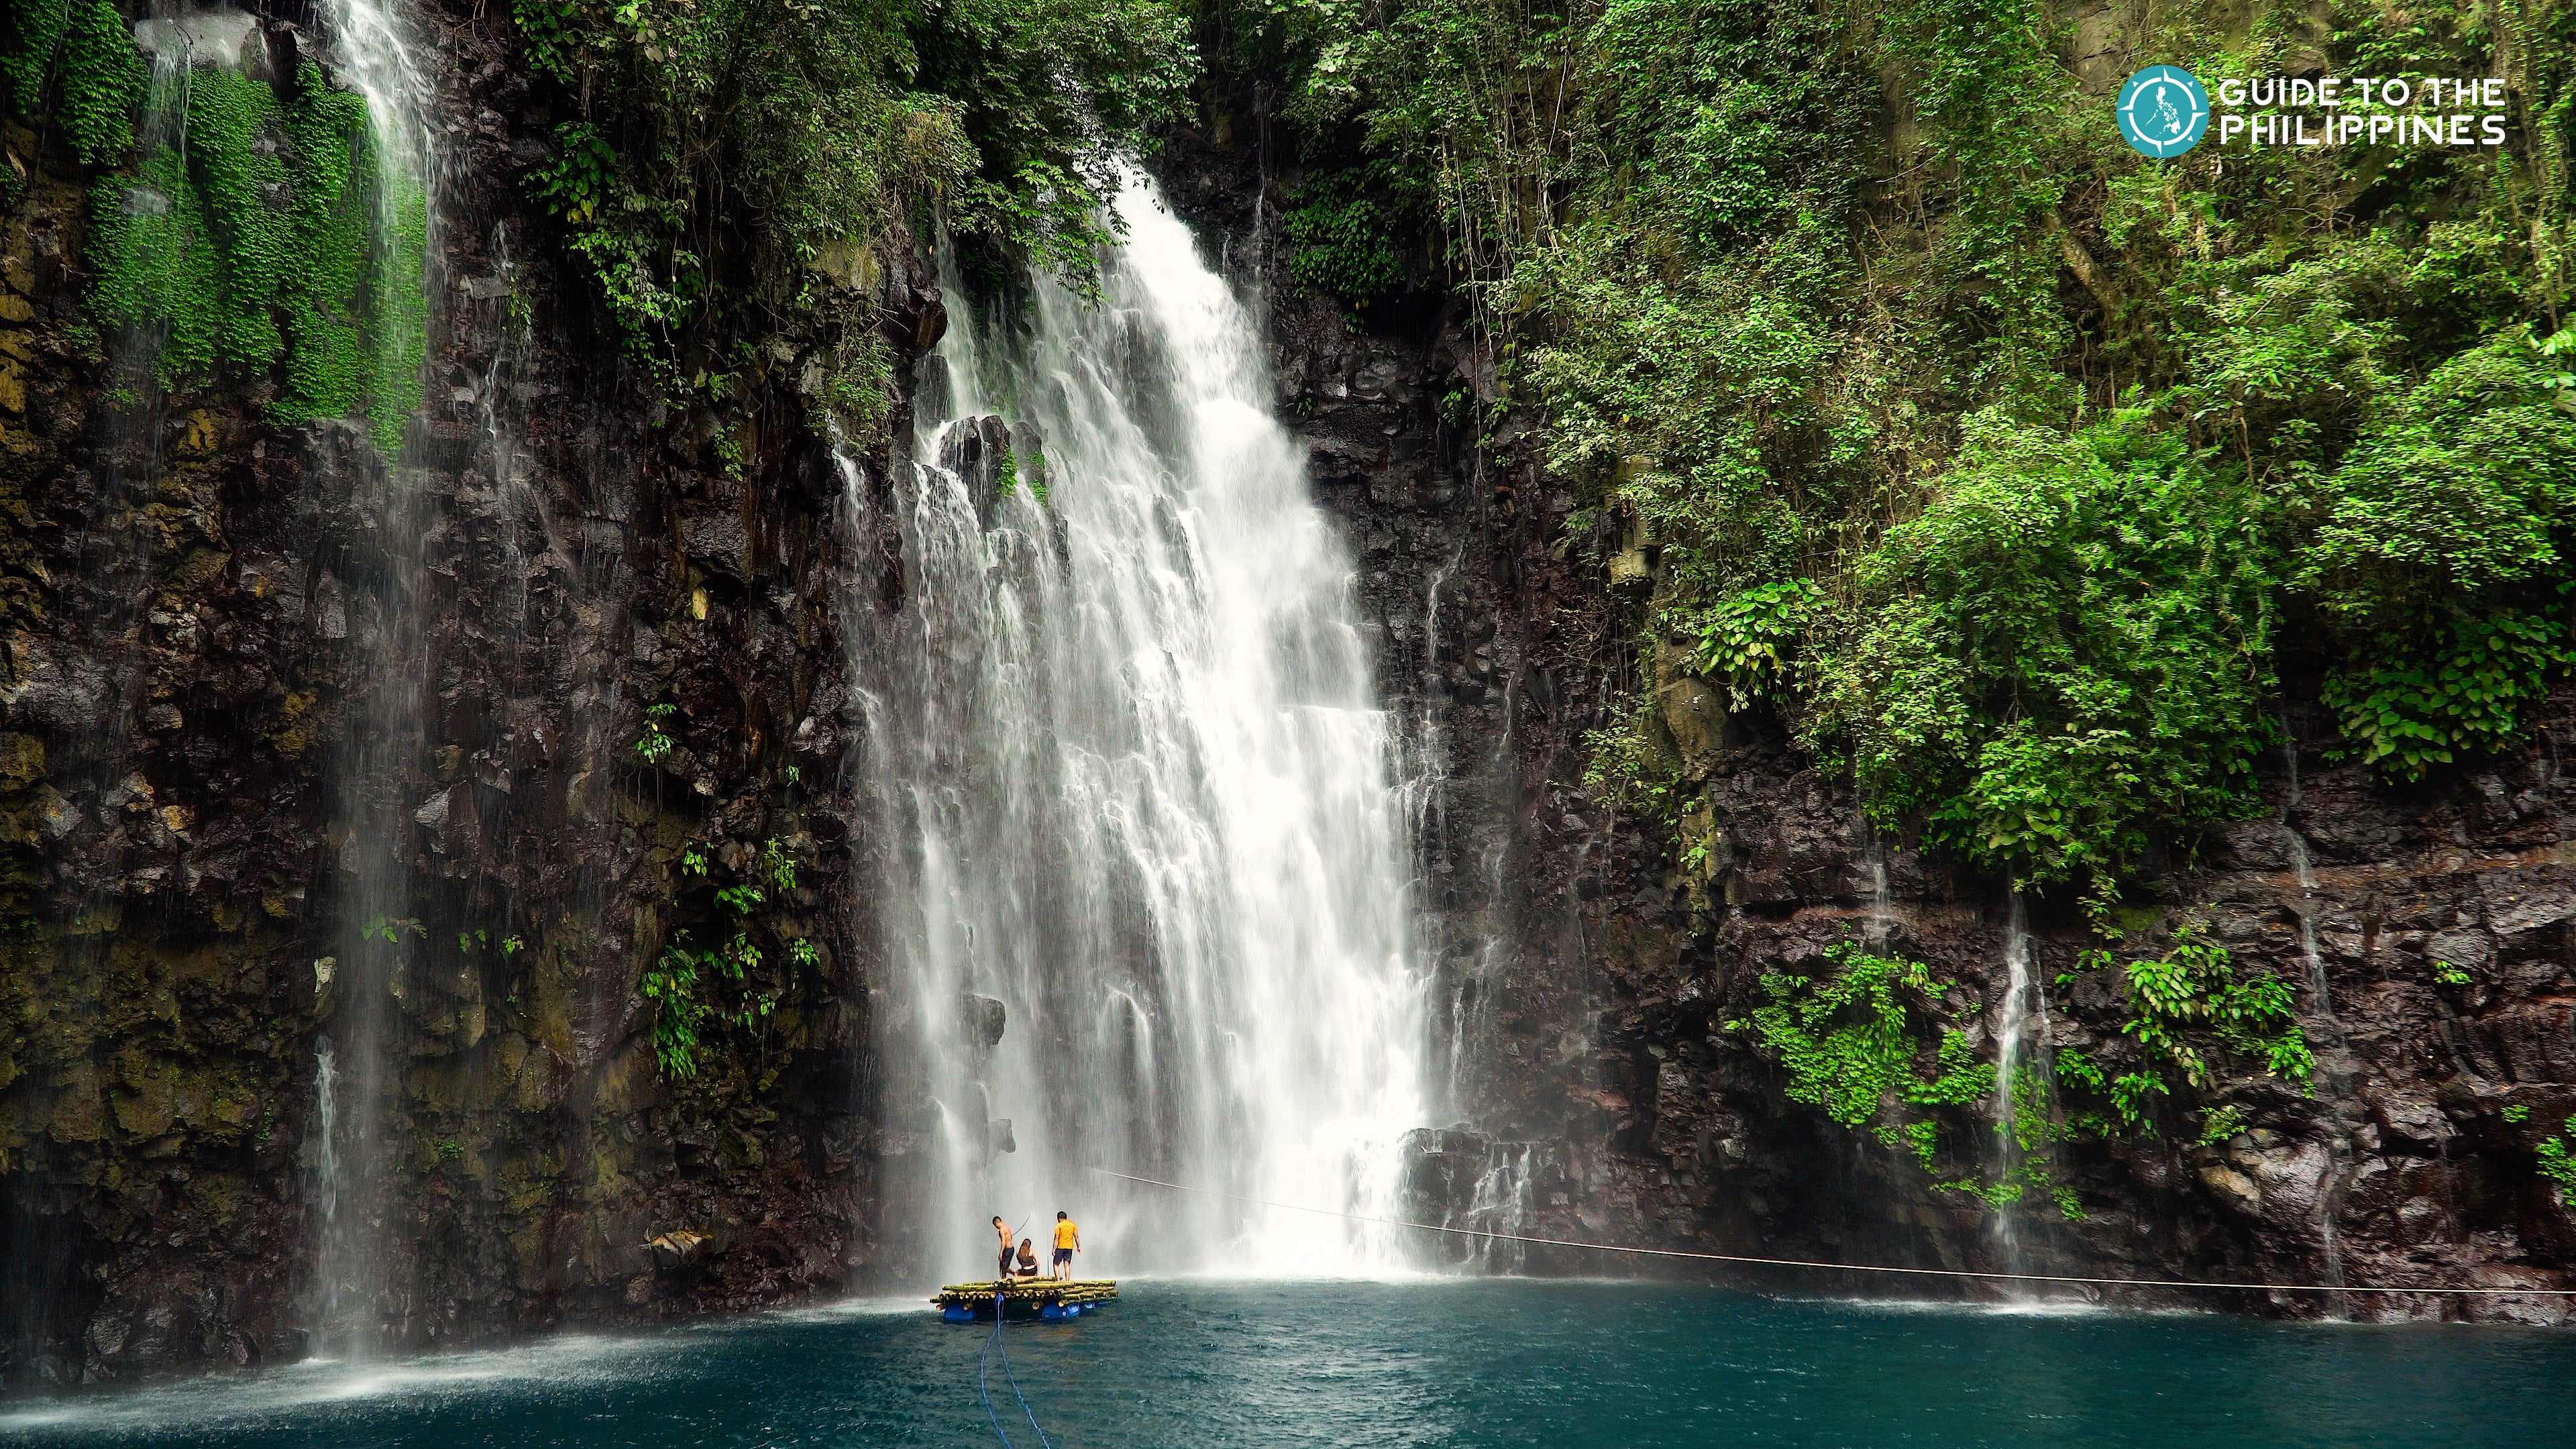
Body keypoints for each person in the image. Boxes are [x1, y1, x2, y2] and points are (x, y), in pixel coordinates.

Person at [1051, 1211, 1081, 1281]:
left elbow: (1056, 1238)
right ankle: (1067, 1280)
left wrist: (1054, 1249)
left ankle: (1058, 1280)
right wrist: (1078, 1246)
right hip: (1069, 1247)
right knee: (1067, 1264)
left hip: (1060, 1247)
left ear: (1059, 1218)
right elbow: (1076, 1237)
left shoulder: (1059, 1226)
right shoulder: (1073, 1225)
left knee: (1056, 1264)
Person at [993, 1215, 1012, 1282]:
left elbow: (1003, 1241)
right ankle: (1003, 1280)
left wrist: (1001, 1253)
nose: (996, 1227)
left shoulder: (1002, 1230)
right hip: (1011, 1249)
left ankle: (1015, 1273)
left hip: (1007, 1249)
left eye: (995, 1226)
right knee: (1002, 1266)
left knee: (1004, 1267)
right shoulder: (1007, 1228)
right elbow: (1011, 1238)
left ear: (996, 1223)